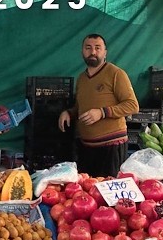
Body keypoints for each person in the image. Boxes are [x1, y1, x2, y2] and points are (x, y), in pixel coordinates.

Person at [58, 34, 140, 177]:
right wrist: (69, 113)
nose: (93, 52)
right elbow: (80, 105)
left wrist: (102, 112)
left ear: (105, 52)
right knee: (88, 192)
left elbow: (132, 105)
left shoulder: (116, 74)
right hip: (86, 147)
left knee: (106, 192)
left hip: (111, 147)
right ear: (82, 52)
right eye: (88, 48)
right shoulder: (82, 78)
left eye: (98, 48)